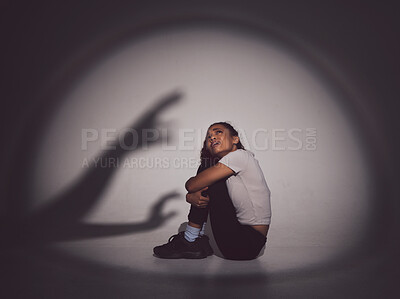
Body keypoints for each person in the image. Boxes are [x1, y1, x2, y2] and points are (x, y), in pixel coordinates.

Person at [153, 122, 271, 260]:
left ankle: (191, 240)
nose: (212, 138)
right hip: (248, 243)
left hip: (245, 242)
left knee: (207, 172)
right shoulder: (237, 163)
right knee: (208, 173)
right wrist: (192, 194)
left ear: (235, 139)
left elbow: (192, 185)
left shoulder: (239, 156)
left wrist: (190, 195)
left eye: (218, 132)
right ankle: (196, 239)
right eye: (209, 136)